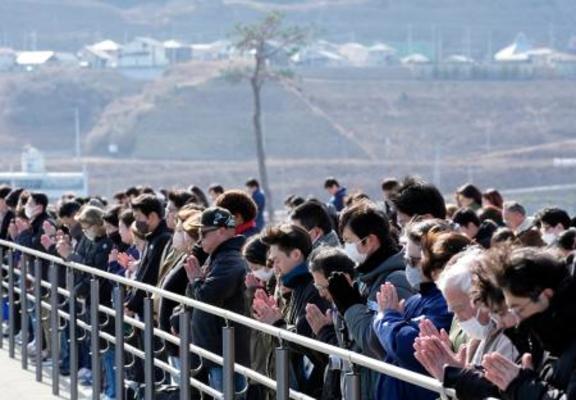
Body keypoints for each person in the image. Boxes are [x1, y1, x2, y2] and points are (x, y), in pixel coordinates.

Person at [373, 229, 467, 400]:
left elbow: (408, 346)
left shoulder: (444, 303)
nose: (413, 266)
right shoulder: (416, 299)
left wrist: (386, 317)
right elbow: (382, 344)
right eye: (407, 260)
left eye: (415, 260)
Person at [481, 247, 576, 400]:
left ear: (546, 295)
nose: (518, 321)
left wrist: (521, 386)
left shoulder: (554, 331)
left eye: (519, 309)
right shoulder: (548, 336)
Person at [256, 224, 329, 397]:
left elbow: (308, 343)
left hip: (310, 389)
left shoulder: (314, 287)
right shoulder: (295, 284)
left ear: (296, 255)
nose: (274, 268)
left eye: (277, 261)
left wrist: (277, 324)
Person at [184, 207, 250, 395]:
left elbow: (207, 296)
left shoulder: (230, 259)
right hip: (217, 350)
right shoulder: (219, 256)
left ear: (221, 231)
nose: (199, 239)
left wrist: (197, 280)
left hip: (225, 352)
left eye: (203, 233)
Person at [305, 247, 357, 399]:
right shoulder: (334, 307)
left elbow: (351, 355)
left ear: (343, 278)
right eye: (317, 287)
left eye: (323, 287)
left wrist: (324, 332)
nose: (321, 294)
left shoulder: (358, 304)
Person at [125, 194, 172, 318]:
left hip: (151, 308)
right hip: (144, 305)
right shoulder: (152, 237)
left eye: (138, 217)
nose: (136, 222)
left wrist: (133, 305)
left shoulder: (162, 239)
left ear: (151, 217)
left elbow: (150, 275)